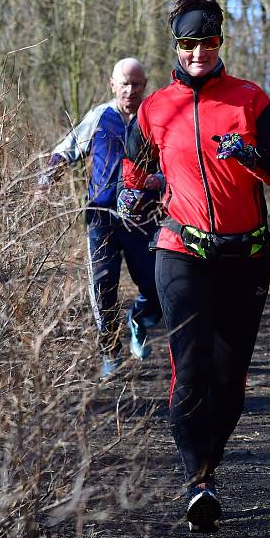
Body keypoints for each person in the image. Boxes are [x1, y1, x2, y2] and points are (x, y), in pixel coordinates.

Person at [122, 0, 270, 532]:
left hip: (245, 256)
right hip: (182, 254)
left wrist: (250, 157)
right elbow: (133, 174)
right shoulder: (156, 109)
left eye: (207, 41)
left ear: (221, 41)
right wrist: (154, 188)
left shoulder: (249, 99)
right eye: (187, 43)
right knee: (191, 369)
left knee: (228, 379)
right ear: (175, 46)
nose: (197, 51)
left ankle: (209, 465)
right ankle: (196, 480)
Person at [36, 57, 163, 380]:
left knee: (155, 284)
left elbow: (174, 162)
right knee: (103, 285)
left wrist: (161, 180)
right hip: (101, 218)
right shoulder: (99, 117)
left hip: (143, 217)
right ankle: (110, 351)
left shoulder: (155, 119)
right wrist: (46, 180)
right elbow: (66, 149)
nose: (130, 90)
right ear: (112, 85)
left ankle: (140, 317)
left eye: (136, 84)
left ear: (145, 85)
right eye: (124, 84)